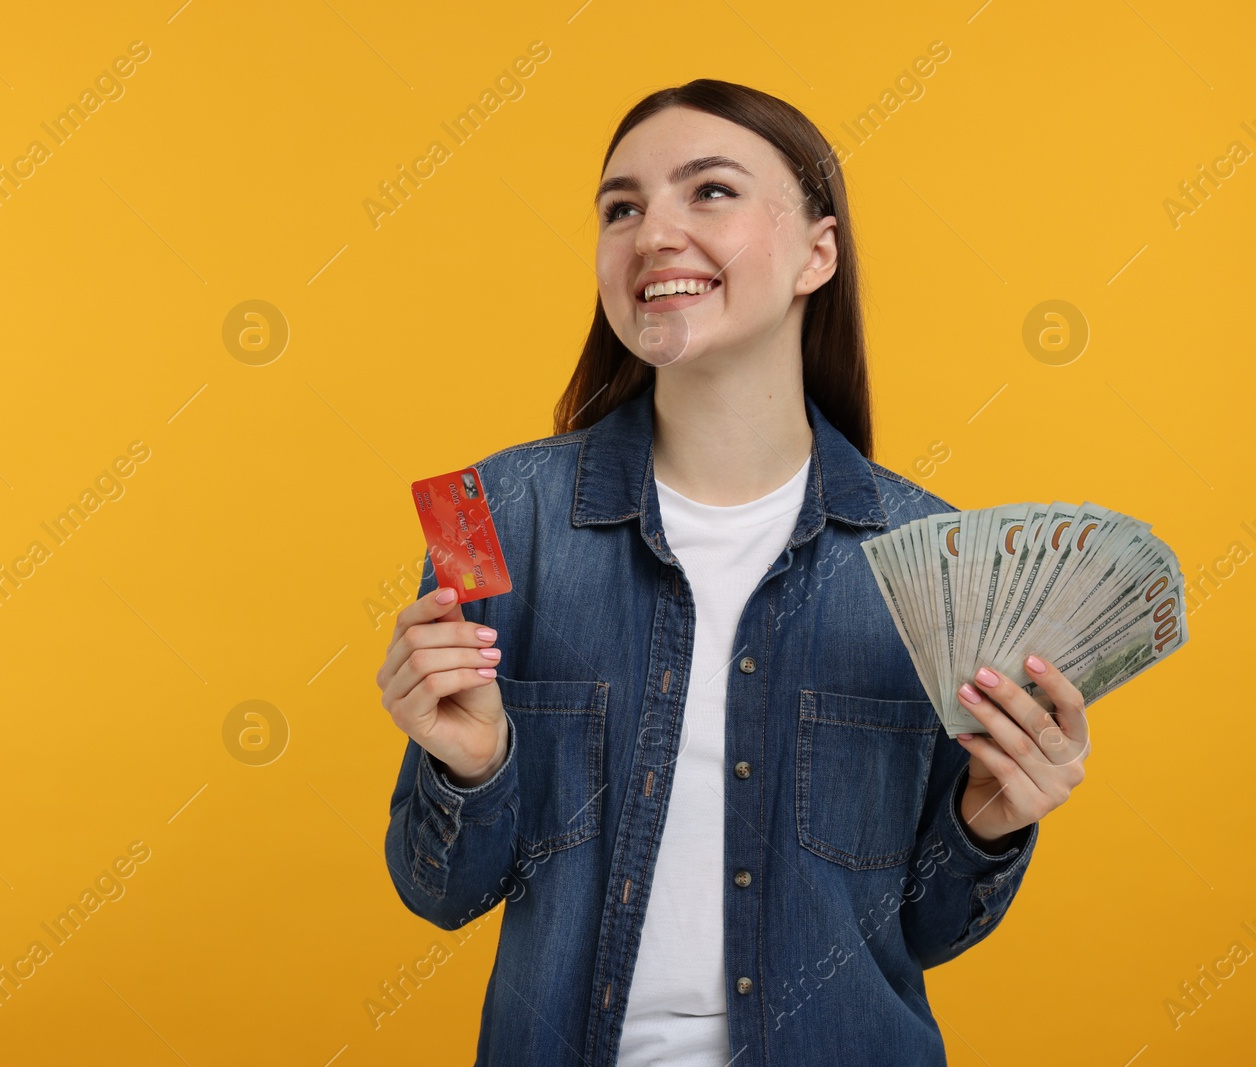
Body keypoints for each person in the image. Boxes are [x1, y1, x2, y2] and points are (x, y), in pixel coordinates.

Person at [376, 79, 1090, 1067]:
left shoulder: (934, 555)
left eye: (708, 191)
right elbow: (440, 891)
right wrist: (469, 763)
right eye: (620, 207)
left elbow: (923, 929)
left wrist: (989, 819)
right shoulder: (492, 518)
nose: (651, 232)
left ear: (817, 252)